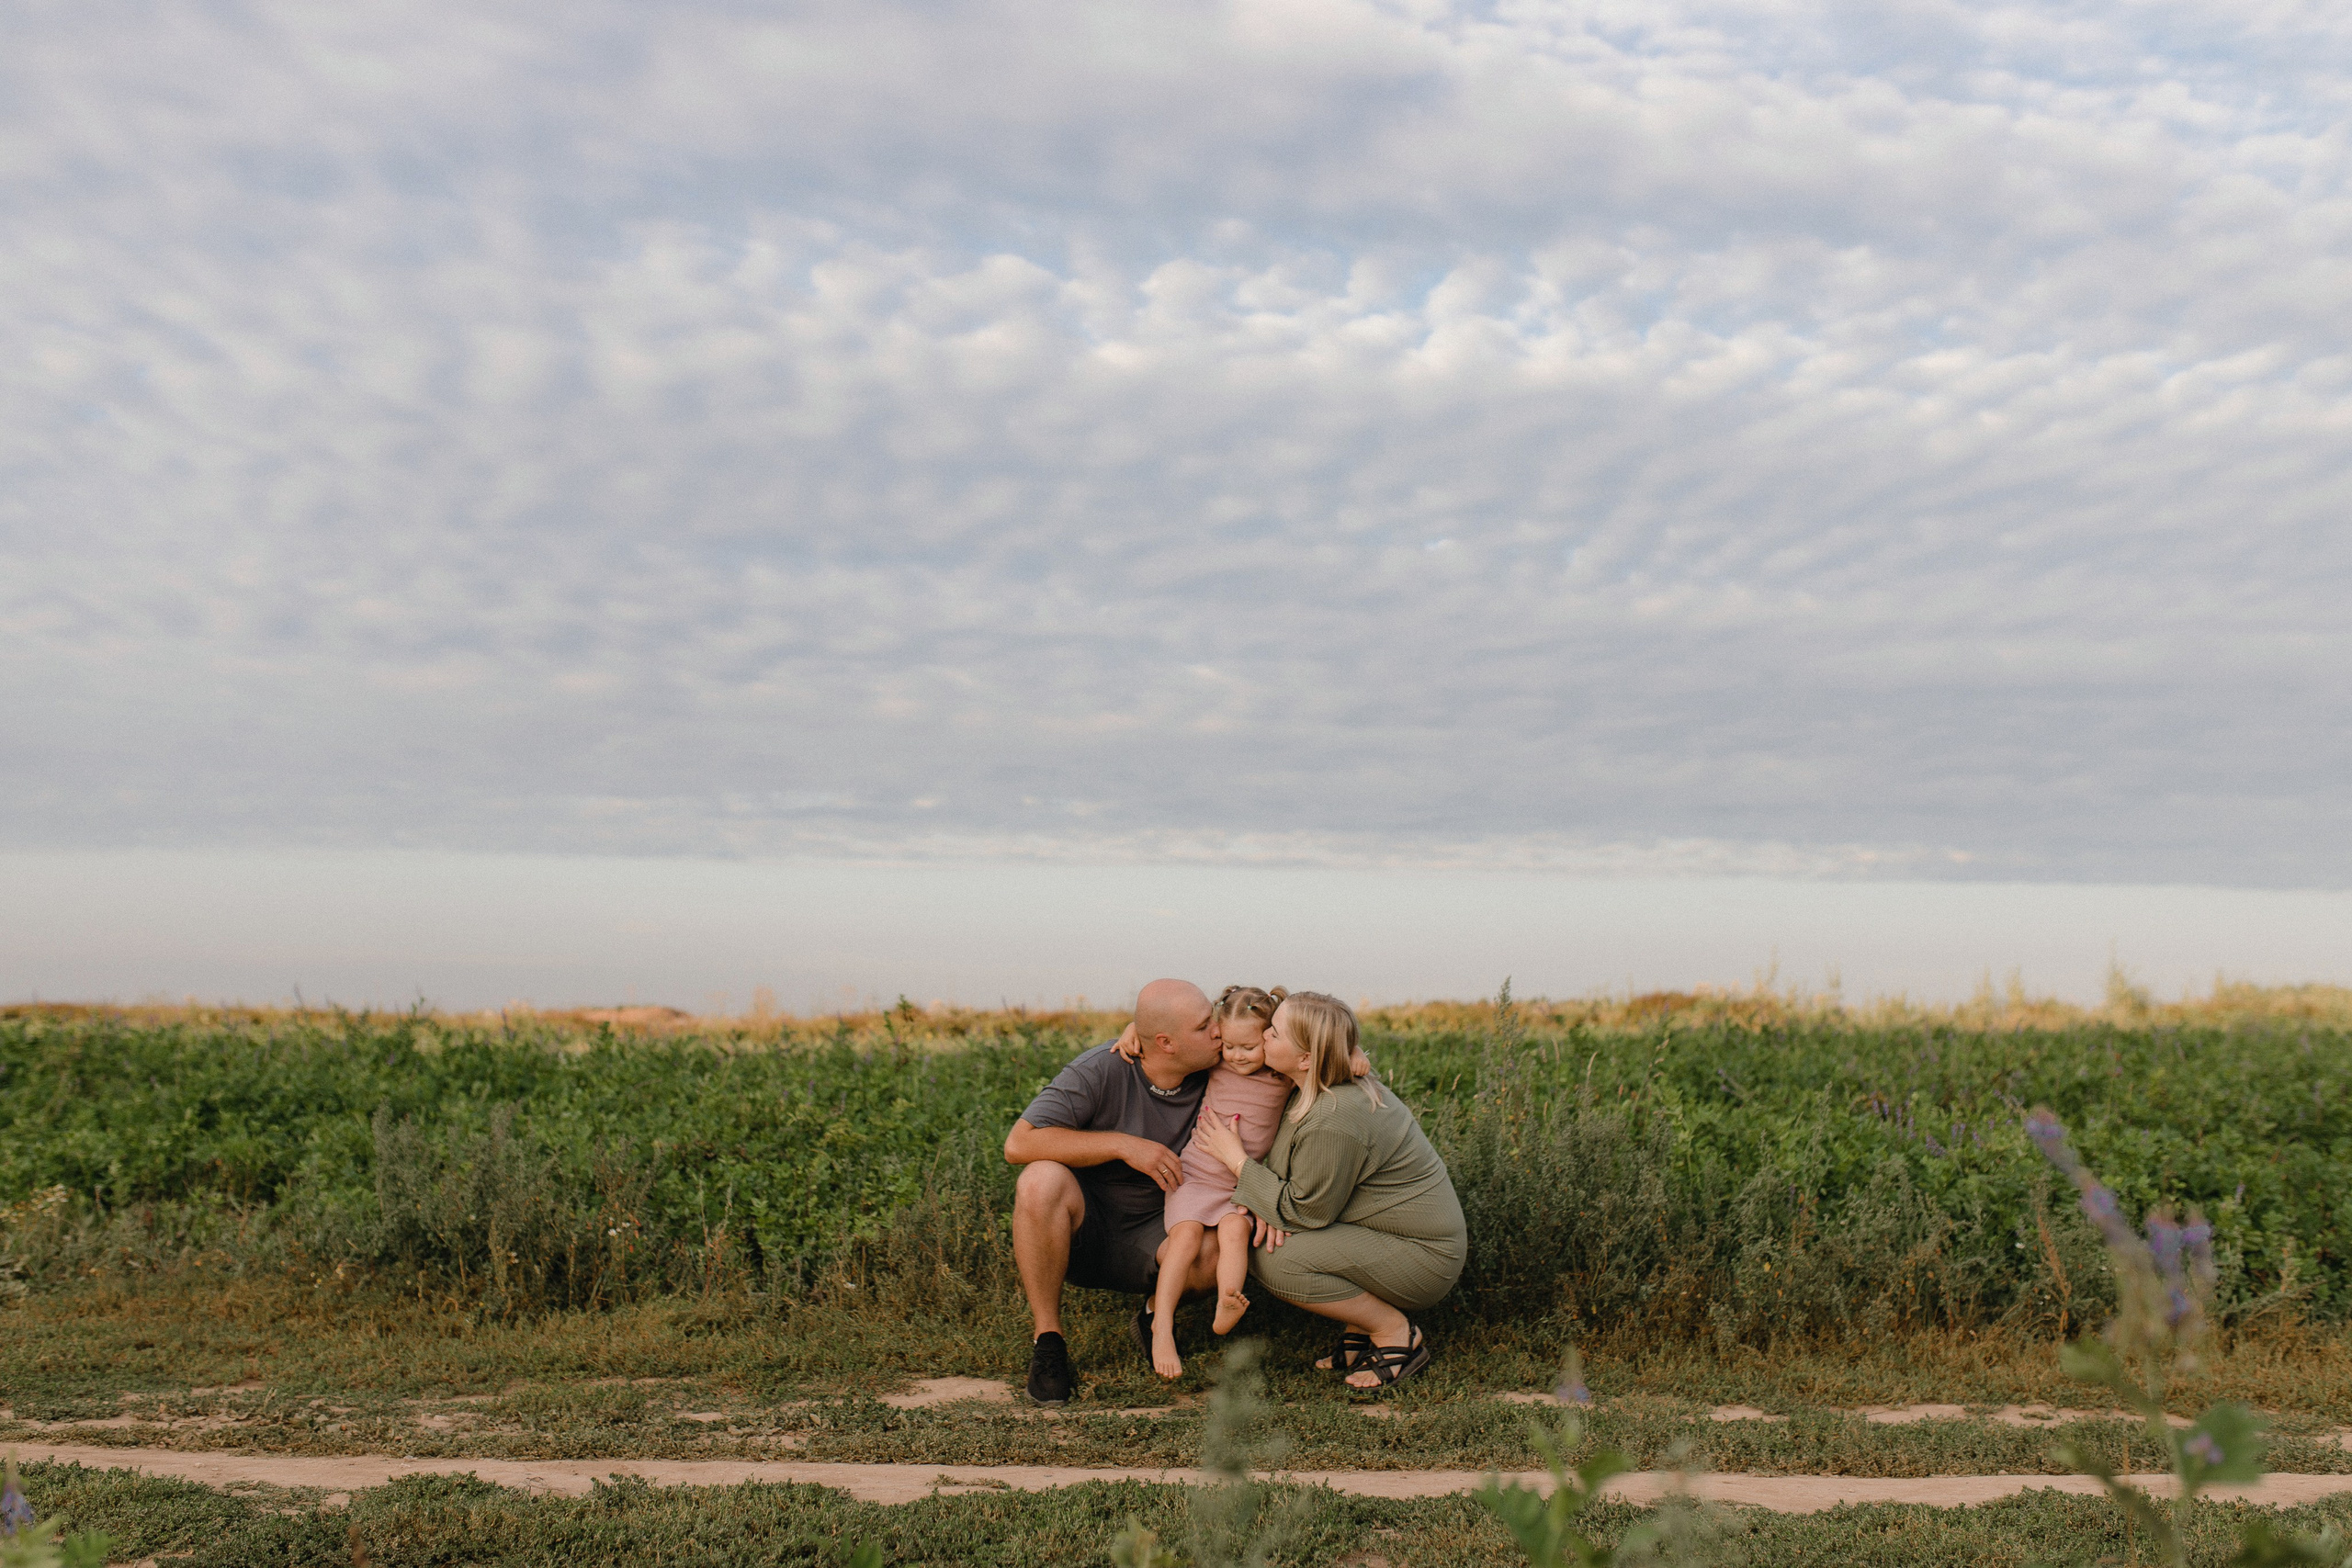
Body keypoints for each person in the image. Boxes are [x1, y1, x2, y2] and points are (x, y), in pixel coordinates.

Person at [1192, 990, 1466, 1393]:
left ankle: (1393, 1331)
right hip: (1384, 1236)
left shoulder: (1333, 1116)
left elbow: (1305, 1212)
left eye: (1274, 1033)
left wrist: (1236, 1161)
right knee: (1272, 1241)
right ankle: (1361, 1326)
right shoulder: (1314, 1083)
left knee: (1274, 1259)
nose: (1264, 1034)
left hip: (1424, 1258)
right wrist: (1133, 1033)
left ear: (1305, 1058)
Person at [1002, 978, 1226, 1405]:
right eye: (1203, 1026)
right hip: (1086, 1228)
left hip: (1165, 1231)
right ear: (1165, 1043)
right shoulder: (1102, 1066)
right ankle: (1048, 1341)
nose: (1218, 1030)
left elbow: (1293, 1039)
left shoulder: (1223, 1066)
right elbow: (1019, 1144)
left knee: (1222, 1246)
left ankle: (1154, 1314)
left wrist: (1352, 1056)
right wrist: (1123, 1145)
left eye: (1213, 1018)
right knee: (1039, 1180)